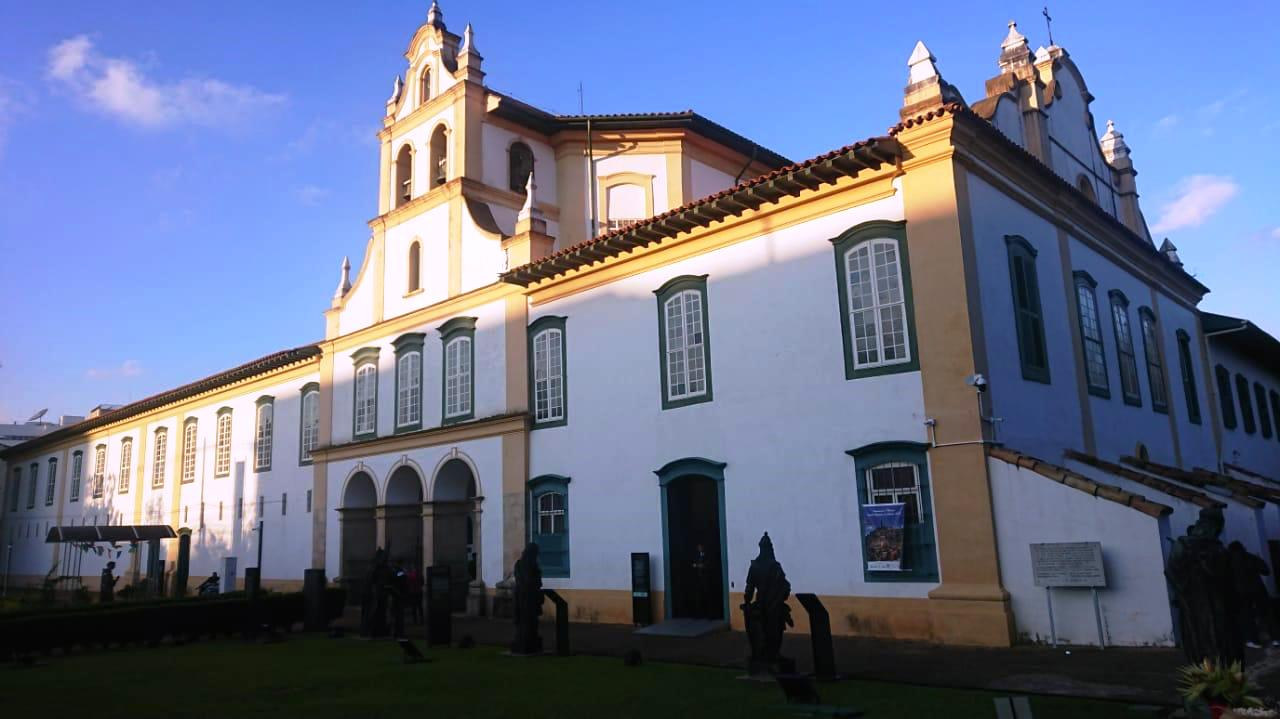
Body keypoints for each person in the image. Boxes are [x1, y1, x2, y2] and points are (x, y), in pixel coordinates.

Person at [1228, 541, 1277, 649]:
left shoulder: (1229, 562)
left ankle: (1253, 640)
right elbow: (1266, 571)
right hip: (1258, 589)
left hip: (1241, 592)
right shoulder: (1251, 557)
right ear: (1242, 547)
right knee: (1266, 614)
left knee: (1247, 617)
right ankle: (1275, 638)